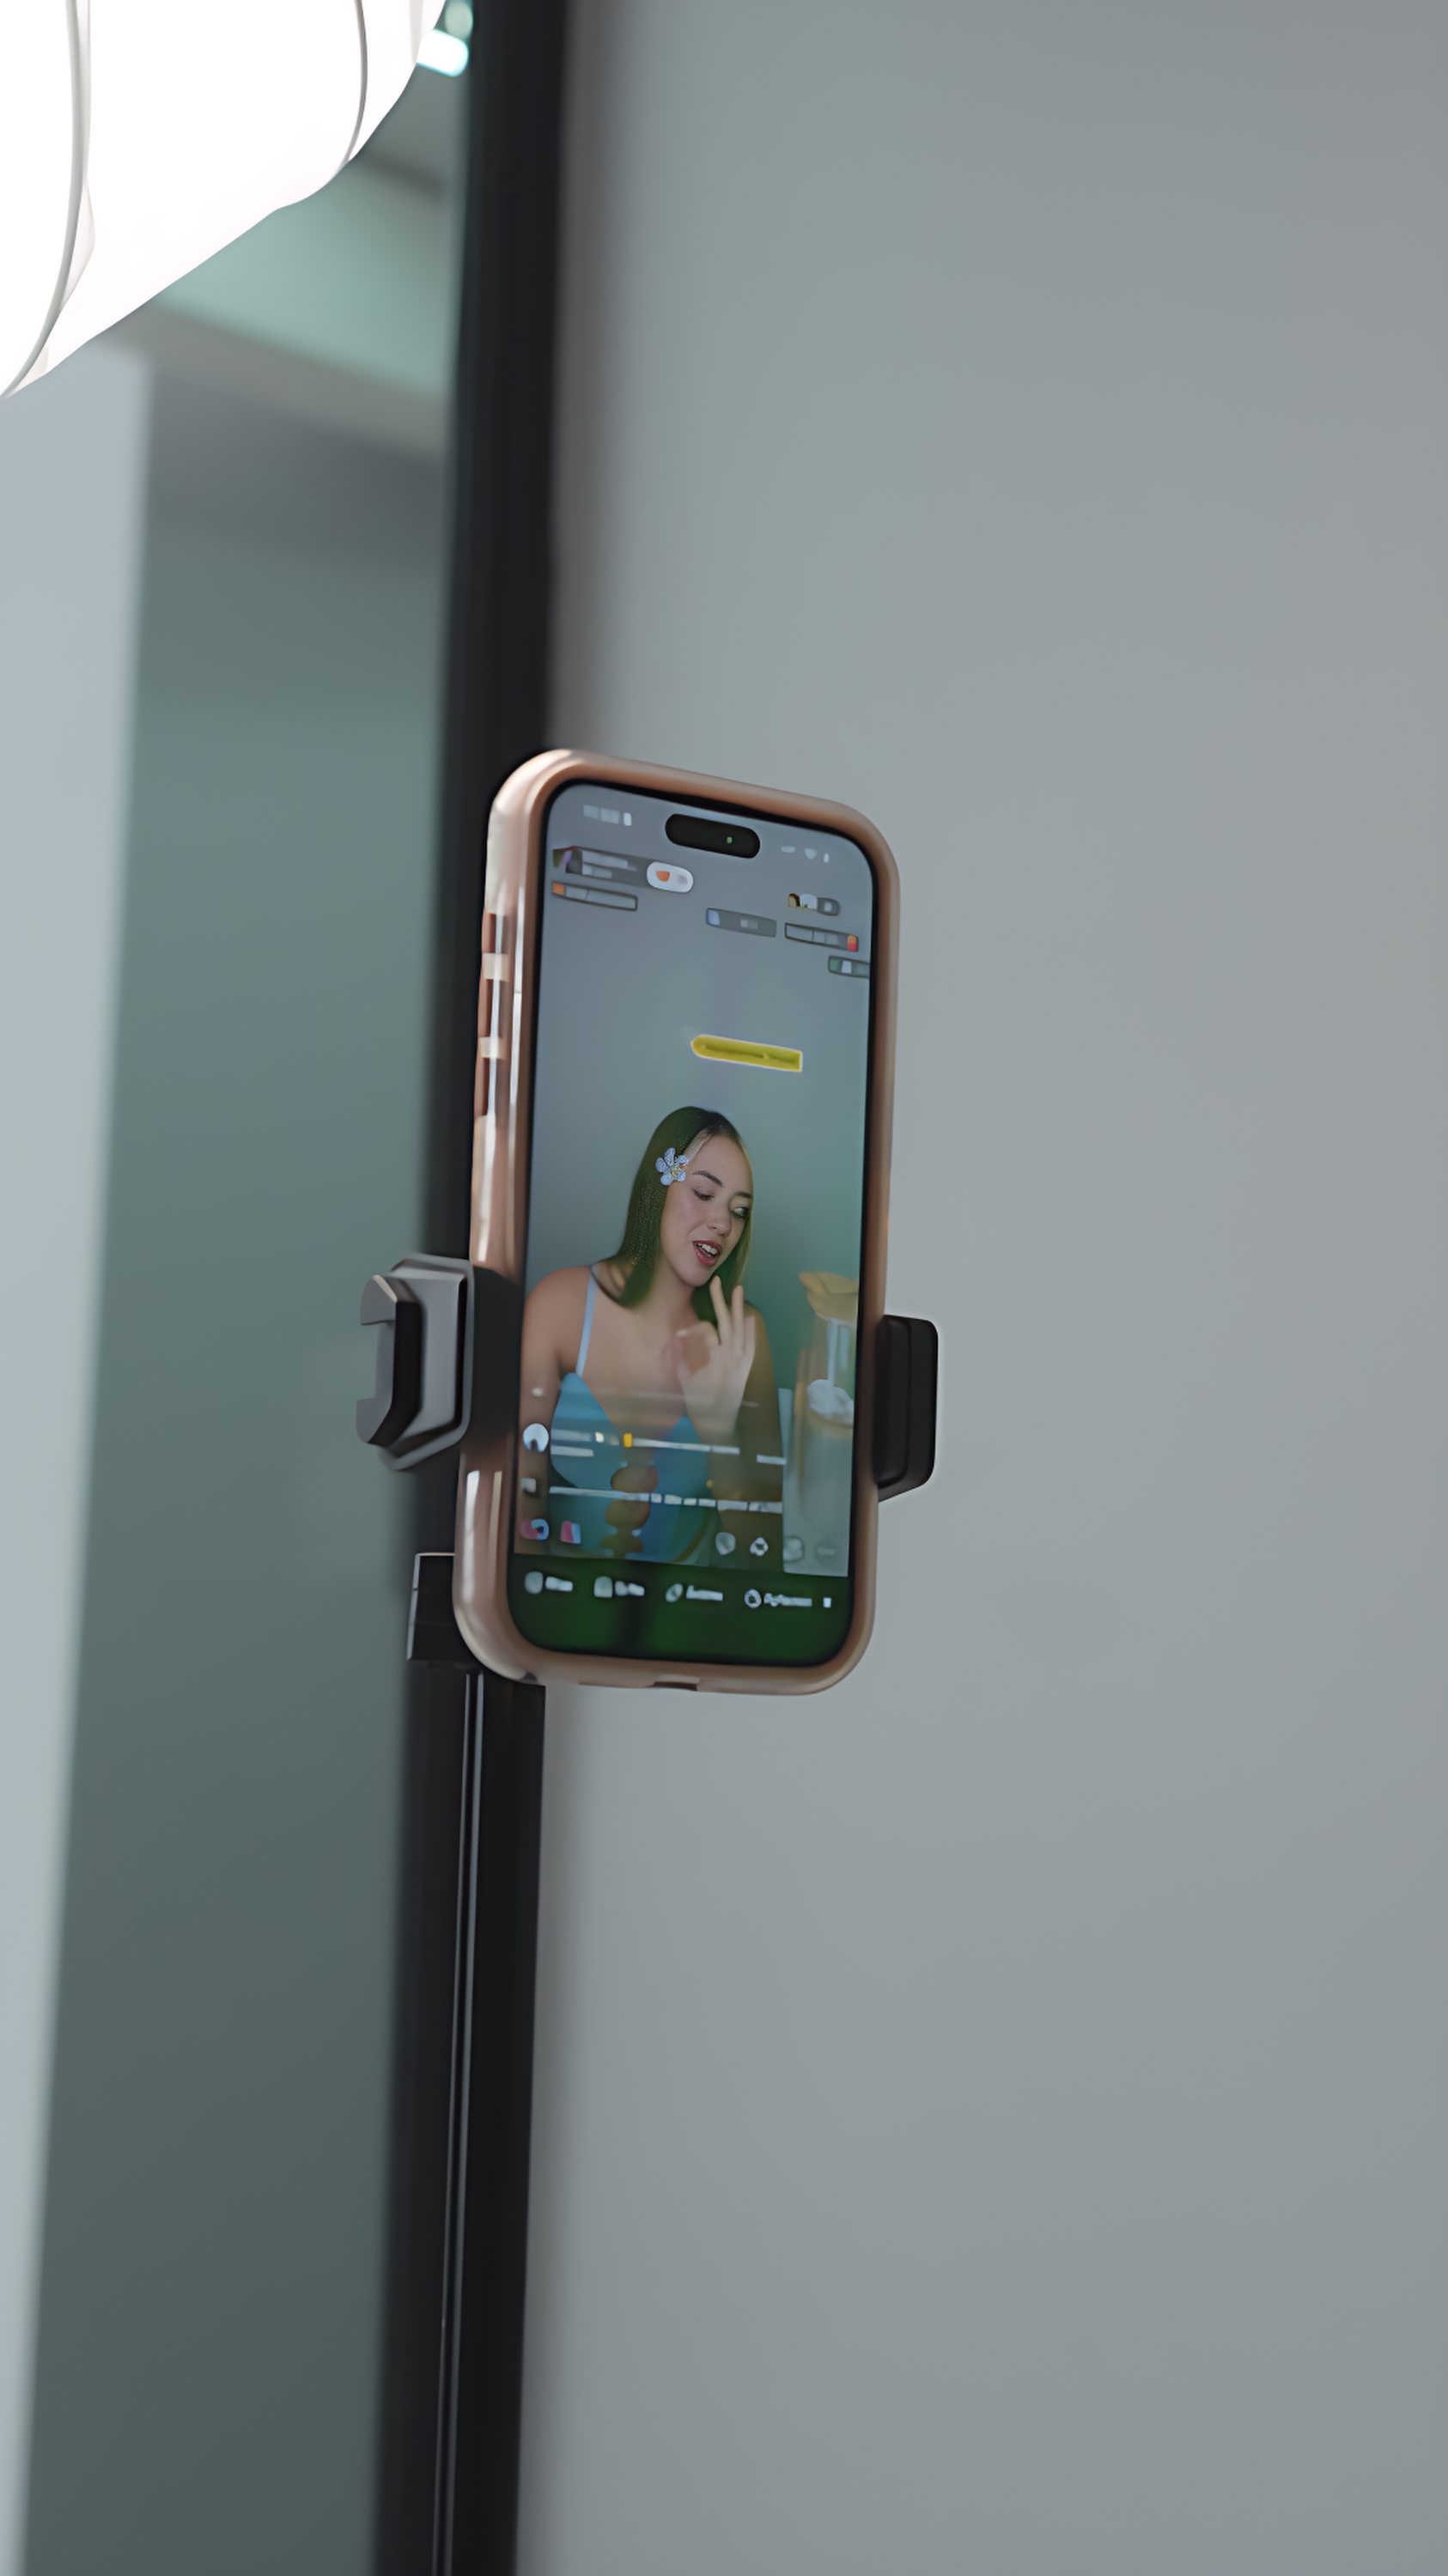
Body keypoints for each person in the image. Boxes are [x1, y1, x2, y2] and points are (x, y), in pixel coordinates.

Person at [517, 1107, 782, 1564]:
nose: (723, 1224)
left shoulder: (743, 1337)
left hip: (689, 1602)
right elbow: (520, 1498)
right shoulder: (558, 1306)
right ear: (656, 1188)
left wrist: (718, 1432)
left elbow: (765, 1542)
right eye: (703, 1193)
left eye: (739, 1211)